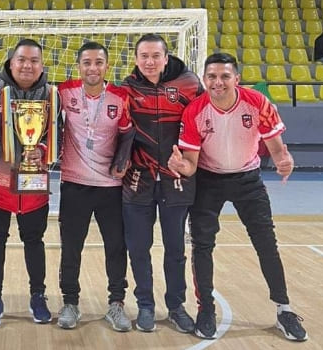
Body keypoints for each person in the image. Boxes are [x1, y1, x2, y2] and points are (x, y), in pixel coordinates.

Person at [168, 52, 309, 342]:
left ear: (236, 78)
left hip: (248, 179)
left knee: (267, 244)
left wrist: (284, 159)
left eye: (224, 76)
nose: (217, 82)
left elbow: (277, 148)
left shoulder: (257, 103)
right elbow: (191, 163)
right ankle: (206, 308)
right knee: (203, 246)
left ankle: (284, 309)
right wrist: (183, 167)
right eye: (211, 77)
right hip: (208, 180)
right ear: (204, 79)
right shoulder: (195, 110)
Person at [120, 33, 203, 333]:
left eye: (156, 56)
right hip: (137, 180)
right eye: (144, 56)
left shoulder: (190, 84)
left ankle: (176, 305)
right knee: (138, 247)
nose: (150, 61)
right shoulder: (127, 89)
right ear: (136, 58)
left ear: (166, 57)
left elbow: (205, 124)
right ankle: (145, 305)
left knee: (175, 249)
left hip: (176, 180)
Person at [0, 39, 54, 328]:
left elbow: (57, 135)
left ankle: (38, 296)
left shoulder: (50, 95)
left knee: (35, 241)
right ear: (11, 62)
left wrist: (42, 150)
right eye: (22, 59)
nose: (27, 65)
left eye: (34, 60)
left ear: (42, 65)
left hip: (33, 182)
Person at [55, 42, 133, 331]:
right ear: (79, 66)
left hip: (111, 186)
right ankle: (70, 302)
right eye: (87, 62)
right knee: (71, 247)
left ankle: (116, 303)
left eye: (98, 62)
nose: (93, 68)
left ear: (106, 66)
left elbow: (127, 134)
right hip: (74, 184)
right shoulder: (64, 91)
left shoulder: (120, 97)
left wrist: (122, 160)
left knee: (115, 246)